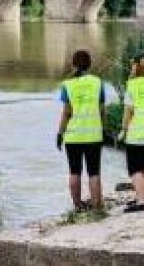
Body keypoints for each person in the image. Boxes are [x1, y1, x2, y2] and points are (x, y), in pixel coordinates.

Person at [57, 50, 105, 211]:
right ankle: (97, 206)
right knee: (94, 172)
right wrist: (102, 128)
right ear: (89, 64)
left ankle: (78, 205)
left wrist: (60, 134)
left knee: (74, 171)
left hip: (73, 136)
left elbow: (66, 112)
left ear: (73, 64)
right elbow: (101, 109)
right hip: (93, 135)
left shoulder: (67, 84)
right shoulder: (97, 82)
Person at [118, 53, 144, 213]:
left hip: (137, 134)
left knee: (135, 168)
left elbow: (128, 112)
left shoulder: (132, 85)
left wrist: (123, 130)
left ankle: (141, 200)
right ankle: (140, 195)